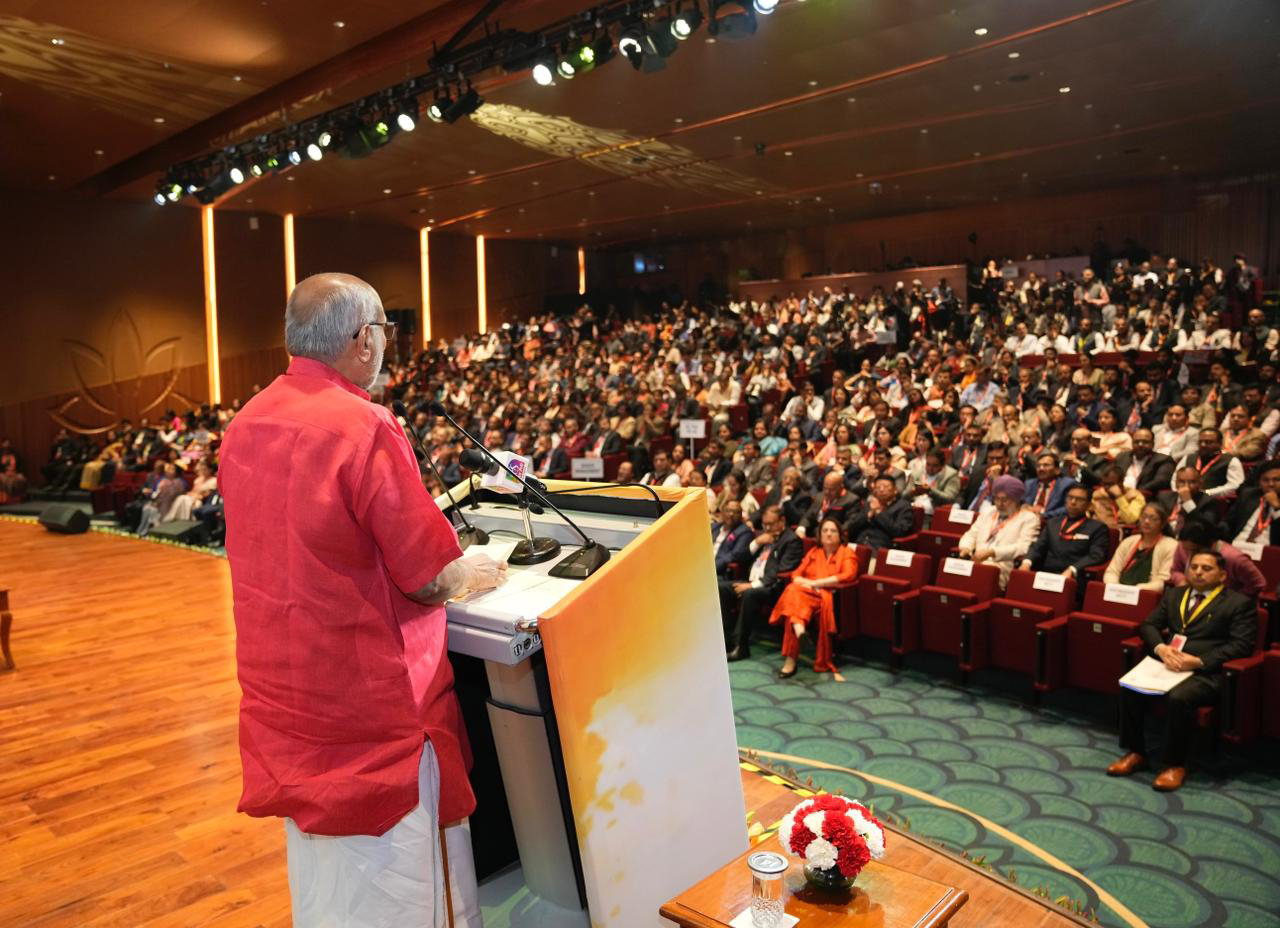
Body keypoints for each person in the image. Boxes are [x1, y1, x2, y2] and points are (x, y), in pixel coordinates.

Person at [219, 273, 506, 927]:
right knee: (402, 897)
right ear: (363, 339)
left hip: (289, 699)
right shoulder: (362, 426)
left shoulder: (247, 422)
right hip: (372, 711)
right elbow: (428, 576)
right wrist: (480, 570)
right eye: (384, 332)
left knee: (328, 891)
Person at [1108, 550, 1257, 791]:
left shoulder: (1239, 603)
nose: (1198, 572)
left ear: (1222, 574)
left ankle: (1174, 764)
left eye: (1206, 568)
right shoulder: (1175, 594)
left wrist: (1198, 661)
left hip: (1208, 671)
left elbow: (1241, 646)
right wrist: (1161, 649)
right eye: (1194, 567)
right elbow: (1149, 625)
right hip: (1169, 663)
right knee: (1130, 685)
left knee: (1180, 697)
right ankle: (1136, 752)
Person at [770, 517, 859, 680]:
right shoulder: (814, 552)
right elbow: (796, 573)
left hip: (825, 596)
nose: (829, 534)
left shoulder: (847, 553)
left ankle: (790, 661)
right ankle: (800, 631)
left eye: (833, 531)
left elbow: (848, 575)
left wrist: (815, 583)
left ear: (840, 535)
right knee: (794, 598)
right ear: (819, 535)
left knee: (793, 596)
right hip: (805, 595)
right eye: (825, 531)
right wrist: (802, 581)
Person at [721, 504, 804, 661]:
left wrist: (752, 585)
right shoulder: (763, 536)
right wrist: (757, 542)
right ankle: (726, 642)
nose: (767, 527)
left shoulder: (791, 541)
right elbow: (738, 558)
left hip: (772, 588)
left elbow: (781, 571)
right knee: (721, 588)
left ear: (782, 521)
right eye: (765, 524)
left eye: (771, 524)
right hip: (751, 581)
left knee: (750, 594)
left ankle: (741, 647)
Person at [956, 475, 1041, 589]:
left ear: (1016, 499)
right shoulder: (988, 512)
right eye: (996, 498)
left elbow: (1023, 547)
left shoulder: (1029, 518)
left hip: (1002, 565)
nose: (999, 503)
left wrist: (993, 552)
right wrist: (966, 548)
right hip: (975, 560)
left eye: (1004, 499)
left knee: (980, 573)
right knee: (951, 568)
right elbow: (971, 534)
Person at [1019, 485, 1109, 580]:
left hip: (1073, 577)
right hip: (1045, 574)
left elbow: (1096, 556)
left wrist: (1073, 569)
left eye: (1079, 499)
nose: (1073, 502)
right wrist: (1027, 562)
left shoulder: (1097, 528)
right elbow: (1037, 547)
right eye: (1070, 497)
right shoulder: (1053, 523)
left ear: (1089, 504)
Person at [1168, 519, 1267, 598]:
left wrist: (1232, 599)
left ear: (1211, 544)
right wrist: (1182, 582)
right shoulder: (1184, 545)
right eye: (1186, 549)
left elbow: (1258, 584)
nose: (1188, 553)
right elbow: (1176, 570)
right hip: (1192, 597)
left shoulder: (1234, 558)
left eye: (1193, 550)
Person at [1104, 503, 1178, 591]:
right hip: (1118, 591)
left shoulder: (1171, 545)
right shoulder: (1128, 541)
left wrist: (1136, 590)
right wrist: (1115, 587)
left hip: (1146, 594)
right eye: (1144, 517)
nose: (1147, 521)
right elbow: (1112, 571)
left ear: (1162, 524)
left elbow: (1163, 581)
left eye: (1153, 519)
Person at [844, 474, 914, 552]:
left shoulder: (903, 506)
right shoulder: (868, 504)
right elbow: (851, 526)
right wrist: (868, 515)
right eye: (878, 487)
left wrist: (879, 513)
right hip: (858, 544)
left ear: (895, 490)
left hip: (881, 548)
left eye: (886, 487)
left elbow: (899, 531)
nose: (881, 489)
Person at [1225, 459, 1280, 548]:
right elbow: (1227, 523)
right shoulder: (1248, 495)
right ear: (1259, 483)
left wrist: (1277, 508)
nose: (1271, 484)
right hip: (1237, 546)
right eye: (1265, 480)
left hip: (1268, 552)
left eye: (1276, 480)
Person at [1112, 429, 1175, 497]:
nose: (1140, 444)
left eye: (1145, 442)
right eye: (1136, 442)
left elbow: (1161, 481)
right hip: (1119, 494)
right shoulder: (1122, 457)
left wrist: (1137, 492)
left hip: (1147, 497)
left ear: (1153, 444)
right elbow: (1111, 476)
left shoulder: (1163, 460)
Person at [1022, 452, 1076, 519]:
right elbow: (1022, 503)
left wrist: (1043, 513)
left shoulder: (1066, 484)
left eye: (1046, 465)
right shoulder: (1029, 484)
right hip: (1027, 519)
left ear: (1057, 470)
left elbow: (1068, 508)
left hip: (1051, 521)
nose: (1041, 468)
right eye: (1038, 466)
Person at [712, 500, 755, 577]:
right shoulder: (714, 527)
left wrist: (712, 568)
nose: (731, 514)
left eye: (736, 512)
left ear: (741, 515)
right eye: (728, 510)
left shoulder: (744, 532)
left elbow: (734, 555)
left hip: (722, 573)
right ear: (722, 512)